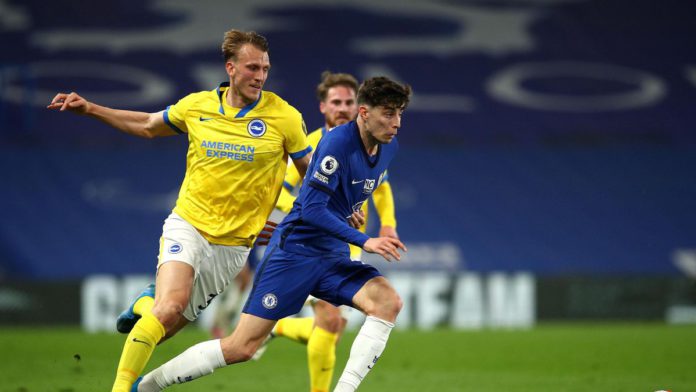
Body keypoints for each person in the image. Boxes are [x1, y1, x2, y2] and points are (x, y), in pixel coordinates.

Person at [47, 29, 313, 392]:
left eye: (265, 68)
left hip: (234, 245)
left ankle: (144, 305)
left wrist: (297, 221)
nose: (260, 76)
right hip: (189, 223)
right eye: (252, 67)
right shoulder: (197, 106)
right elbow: (146, 125)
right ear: (231, 68)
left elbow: (311, 178)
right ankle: (121, 388)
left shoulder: (285, 117)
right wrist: (91, 108)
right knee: (170, 306)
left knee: (164, 325)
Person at [132, 76, 412, 392]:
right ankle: (147, 386)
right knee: (242, 347)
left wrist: (352, 209)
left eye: (400, 113)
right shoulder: (335, 145)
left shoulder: (388, 147)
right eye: (389, 113)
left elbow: (362, 189)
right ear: (364, 113)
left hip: (333, 255)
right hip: (296, 253)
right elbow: (311, 209)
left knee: (387, 302)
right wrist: (365, 238)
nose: (397, 122)